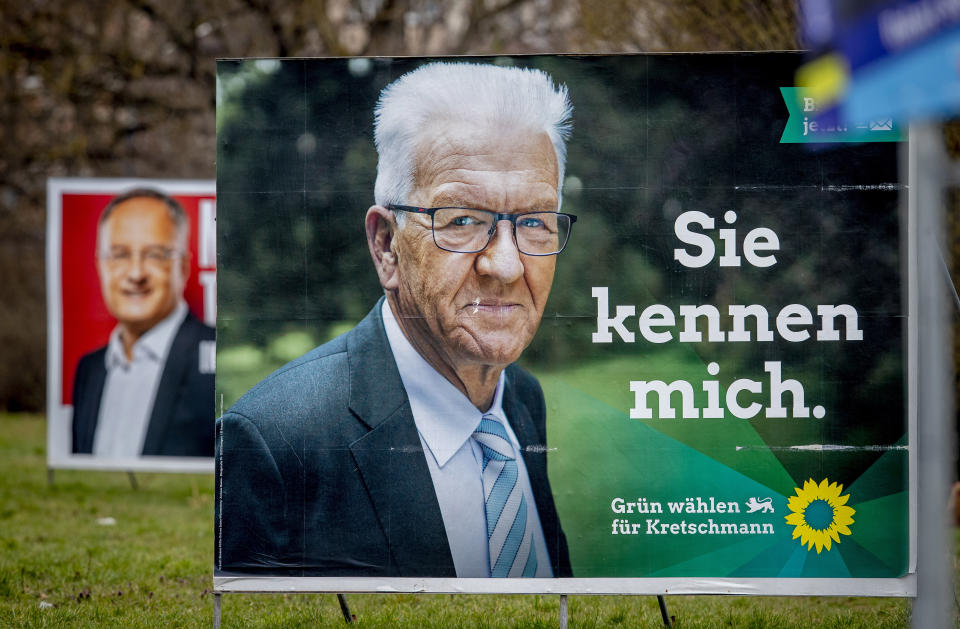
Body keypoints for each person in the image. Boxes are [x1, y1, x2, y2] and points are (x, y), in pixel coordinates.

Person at [217, 62, 576, 578]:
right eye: (462, 221)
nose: (506, 265)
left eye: (536, 223)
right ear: (387, 246)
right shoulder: (275, 443)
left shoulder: (520, 400)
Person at [72, 189, 215, 458]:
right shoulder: (89, 370)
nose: (136, 273)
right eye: (119, 254)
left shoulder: (217, 360)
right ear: (100, 265)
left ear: (183, 267)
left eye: (155, 255)